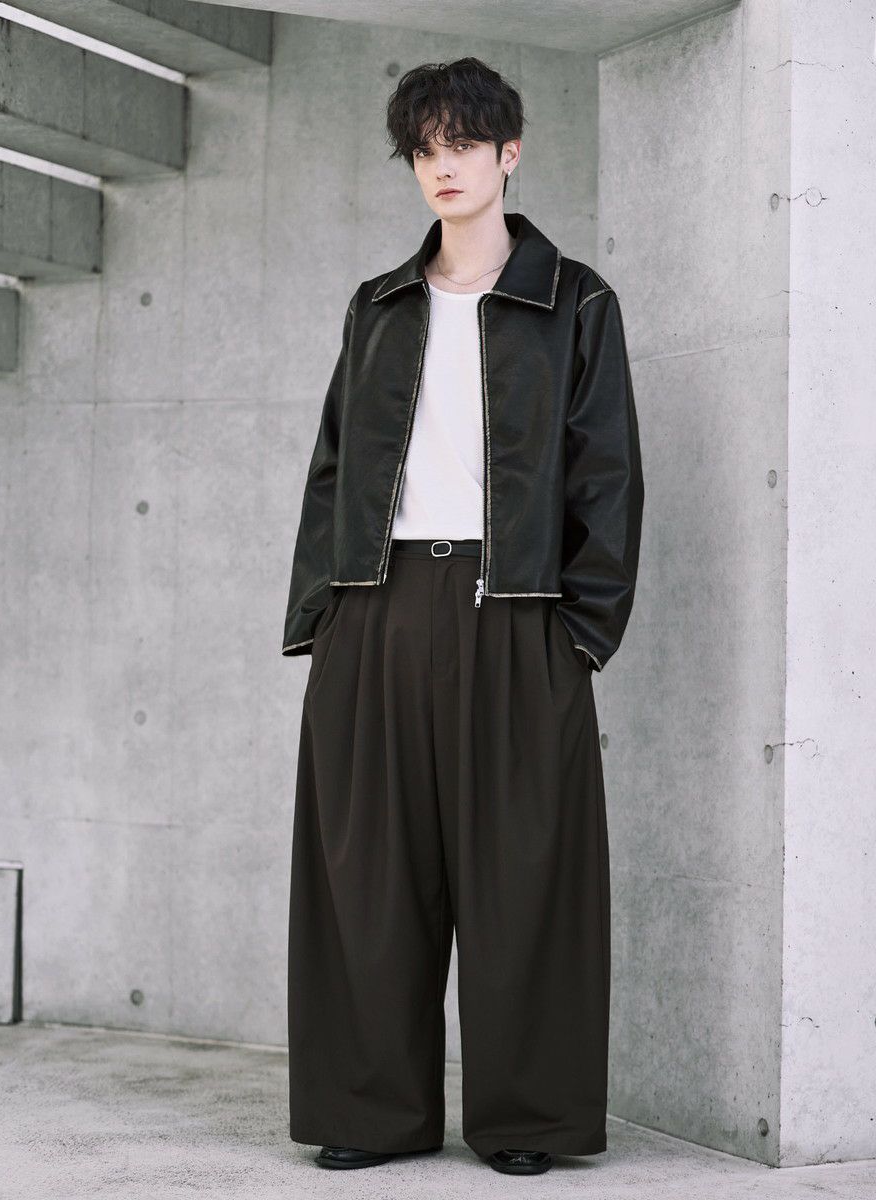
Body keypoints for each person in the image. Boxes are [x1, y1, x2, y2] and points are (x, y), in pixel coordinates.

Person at [282, 56, 644, 1177]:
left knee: (525, 876)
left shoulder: (574, 299)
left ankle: (528, 1119)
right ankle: (370, 1112)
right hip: (377, 608)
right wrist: (322, 619)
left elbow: (608, 475)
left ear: (508, 153)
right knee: (366, 875)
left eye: (463, 145)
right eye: (424, 149)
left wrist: (581, 634)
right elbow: (334, 468)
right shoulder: (378, 305)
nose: (442, 166)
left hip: (520, 609)